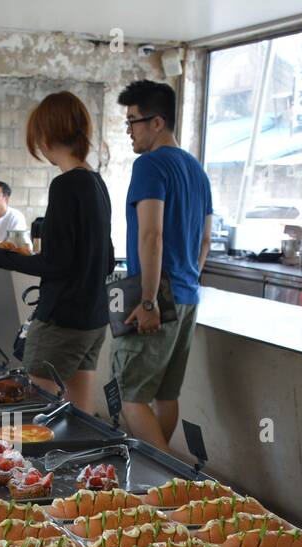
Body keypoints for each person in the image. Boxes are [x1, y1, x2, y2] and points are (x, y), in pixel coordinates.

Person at [0, 92, 113, 414]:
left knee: (38, 415)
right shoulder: (97, 183)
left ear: (47, 135)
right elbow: (105, 257)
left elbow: (56, 264)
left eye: (37, 137)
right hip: (94, 318)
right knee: (80, 417)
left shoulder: (65, 185)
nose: (38, 145)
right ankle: (83, 466)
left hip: (62, 321)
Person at [114, 79, 213, 452]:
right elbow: (205, 240)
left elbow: (151, 235)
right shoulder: (196, 170)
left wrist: (151, 299)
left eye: (133, 121)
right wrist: (187, 279)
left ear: (157, 122)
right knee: (164, 395)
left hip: (156, 293)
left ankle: (169, 485)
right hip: (187, 294)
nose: (129, 132)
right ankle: (161, 479)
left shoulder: (150, 166)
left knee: (130, 395)